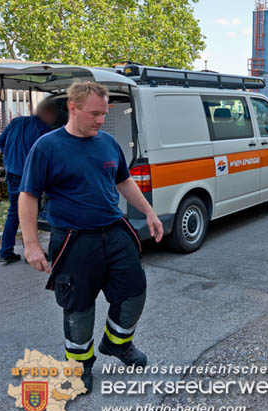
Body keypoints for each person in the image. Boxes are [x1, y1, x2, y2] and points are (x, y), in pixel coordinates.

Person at [18, 81, 163, 393]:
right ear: (73, 108)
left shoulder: (107, 143)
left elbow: (123, 181)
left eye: (104, 113)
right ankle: (80, 364)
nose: (101, 120)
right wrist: (31, 244)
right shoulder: (48, 147)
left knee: (134, 293)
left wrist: (149, 212)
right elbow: (27, 195)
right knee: (79, 306)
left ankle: (118, 344)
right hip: (74, 239)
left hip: (115, 231)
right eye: (95, 114)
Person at [0, 100, 57, 264]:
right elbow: (47, 154)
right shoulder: (43, 129)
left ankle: (6, 251)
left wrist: (8, 156)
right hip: (29, 174)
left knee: (14, 211)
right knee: (30, 211)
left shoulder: (16, 122)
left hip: (11, 172)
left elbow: (1, 141)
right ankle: (30, 250)